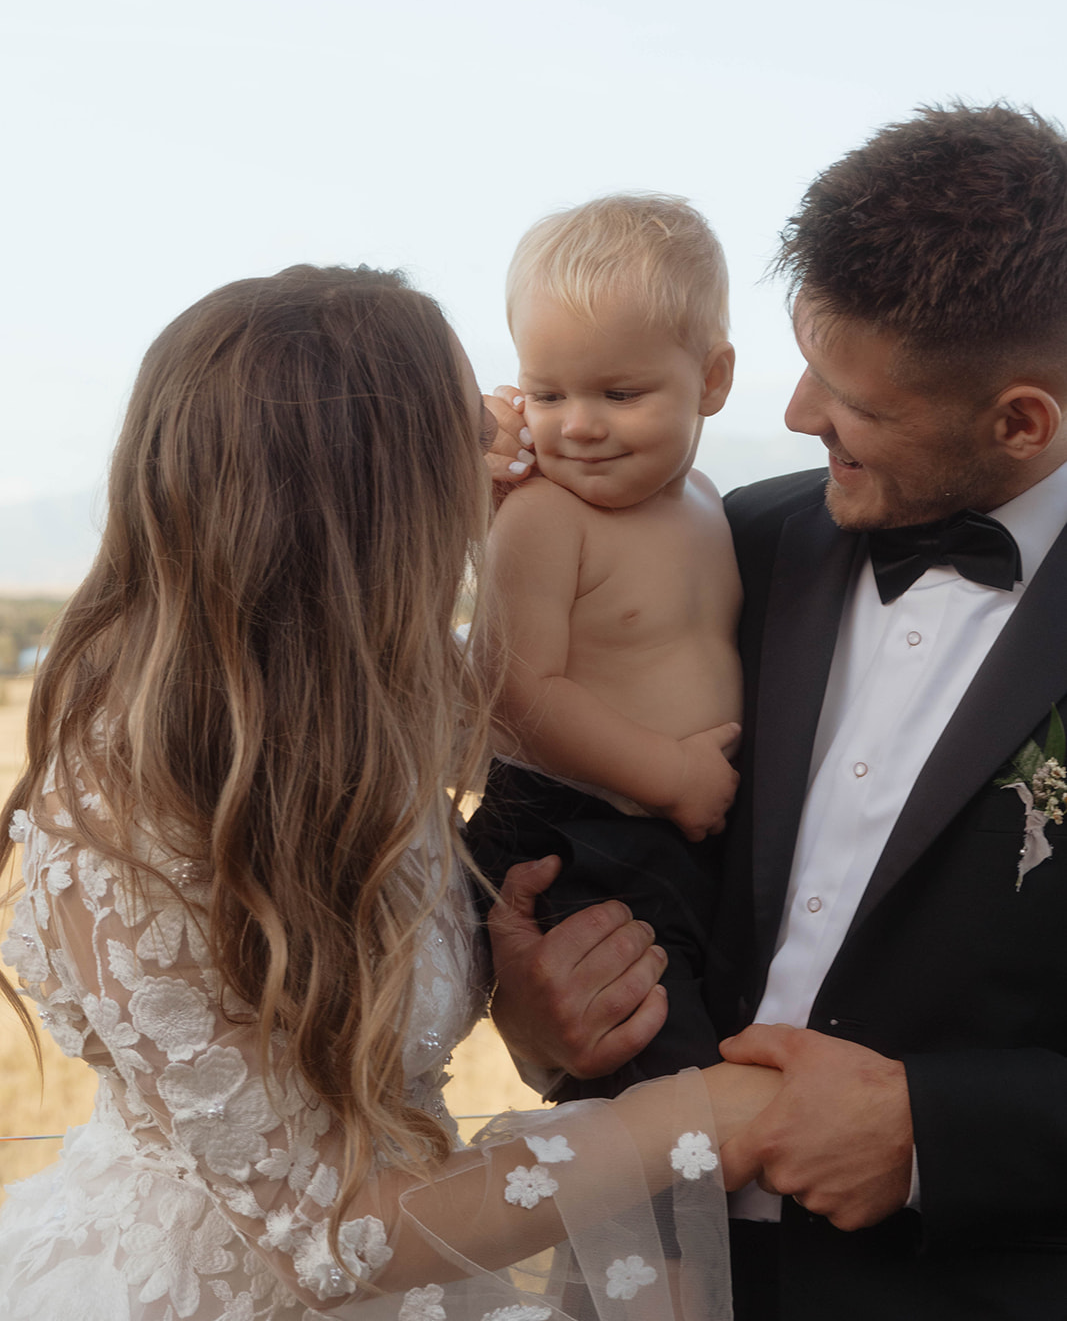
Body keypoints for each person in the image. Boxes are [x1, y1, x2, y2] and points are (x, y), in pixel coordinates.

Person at [0, 263, 779, 1321]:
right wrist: (709, 1112)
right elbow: (335, 1233)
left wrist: (518, 1000)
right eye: (474, 430)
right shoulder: (129, 808)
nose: (516, 444)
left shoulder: (374, 705)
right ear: (371, 497)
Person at [484, 103, 1067, 1320]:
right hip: (658, 1266)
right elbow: (558, 783)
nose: (798, 414)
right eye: (803, 358)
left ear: (1020, 420)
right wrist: (543, 1016)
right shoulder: (738, 536)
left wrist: (933, 1134)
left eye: (851, 398)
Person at [467, 196, 741, 1095]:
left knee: (708, 1048)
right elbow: (513, 689)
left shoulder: (703, 497)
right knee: (655, 1085)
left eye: (618, 394)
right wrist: (670, 775)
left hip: (670, 833)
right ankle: (654, 1242)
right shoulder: (545, 516)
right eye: (547, 394)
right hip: (575, 832)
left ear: (711, 380)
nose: (577, 425)